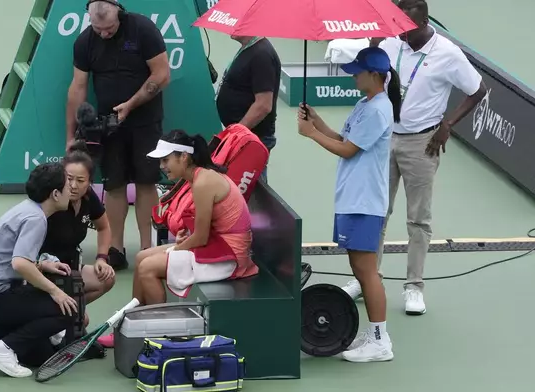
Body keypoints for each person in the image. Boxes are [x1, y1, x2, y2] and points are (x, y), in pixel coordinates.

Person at [340, 0, 487, 315]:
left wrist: (448, 124)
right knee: (376, 212)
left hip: (423, 143)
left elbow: (478, 90)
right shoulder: (393, 41)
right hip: (384, 138)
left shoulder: (447, 53)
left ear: (422, 21)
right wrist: (376, 41)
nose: (401, 35)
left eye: (406, 29)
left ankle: (414, 286)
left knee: (418, 219)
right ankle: (368, 278)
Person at [297, 46, 401, 362]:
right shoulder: (365, 104)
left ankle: (381, 341)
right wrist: (317, 122)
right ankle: (374, 335)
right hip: (353, 198)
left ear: (375, 75)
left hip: (365, 201)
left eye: (358, 71)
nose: (354, 75)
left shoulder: (379, 109)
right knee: (359, 268)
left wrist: (310, 135)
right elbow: (343, 139)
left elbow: (347, 151)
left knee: (367, 271)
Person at [66, 0, 171, 271]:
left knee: (147, 182)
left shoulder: (143, 30)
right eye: (98, 29)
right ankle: (115, 249)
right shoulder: (85, 42)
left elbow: (162, 75)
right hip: (107, 126)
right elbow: (78, 88)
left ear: (119, 16)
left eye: (109, 28)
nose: (103, 33)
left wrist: (131, 104)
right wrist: (70, 135)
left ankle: (148, 249)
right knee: (113, 186)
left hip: (145, 121)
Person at [0, 163, 78, 378]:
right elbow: (20, 264)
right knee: (67, 311)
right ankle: (3, 350)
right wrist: (55, 291)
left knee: (39, 355)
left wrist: (41, 264)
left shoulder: (26, 209)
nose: (72, 189)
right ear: (55, 194)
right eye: (68, 185)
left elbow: (13, 259)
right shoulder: (36, 219)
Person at [133, 130, 259, 305]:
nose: (162, 166)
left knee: (147, 267)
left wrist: (178, 248)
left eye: (165, 160)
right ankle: (134, 318)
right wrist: (182, 240)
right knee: (141, 257)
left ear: (184, 157)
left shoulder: (203, 182)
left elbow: (201, 237)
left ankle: (159, 327)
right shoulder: (198, 177)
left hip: (230, 256)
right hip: (218, 244)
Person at [39, 142, 116, 305]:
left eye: (80, 180)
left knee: (107, 279)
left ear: (89, 182)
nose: (74, 186)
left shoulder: (88, 197)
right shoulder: (51, 202)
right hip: (44, 272)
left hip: (70, 269)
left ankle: (70, 308)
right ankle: (62, 311)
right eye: (69, 179)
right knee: (82, 320)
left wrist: (101, 258)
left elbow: (104, 227)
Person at [215, 35, 281, 182]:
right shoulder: (250, 49)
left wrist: (236, 133)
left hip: (252, 140)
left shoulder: (261, 54)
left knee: (251, 190)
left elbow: (263, 105)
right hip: (243, 137)